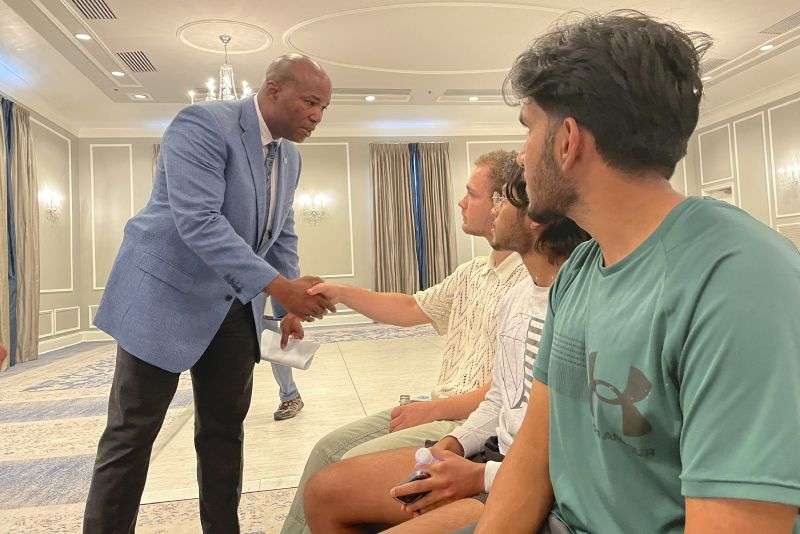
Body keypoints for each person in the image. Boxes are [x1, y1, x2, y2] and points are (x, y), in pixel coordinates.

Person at [472, 10, 800, 534]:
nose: (521, 154)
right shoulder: (581, 267)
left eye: (528, 130)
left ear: (567, 140)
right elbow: (532, 461)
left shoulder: (740, 281)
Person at [84, 54, 336, 534]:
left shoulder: (291, 156)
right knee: (132, 434)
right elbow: (200, 221)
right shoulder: (202, 124)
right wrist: (279, 285)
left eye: (323, 108)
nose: (316, 116)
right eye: (309, 102)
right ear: (273, 89)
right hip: (163, 300)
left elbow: (280, 234)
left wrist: (286, 308)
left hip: (233, 309)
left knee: (224, 433)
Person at [303, 163, 589, 533]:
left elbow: (574, 450)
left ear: (536, 218)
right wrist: (455, 443)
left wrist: (479, 475)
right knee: (325, 490)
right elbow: (502, 397)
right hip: (493, 451)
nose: (490, 210)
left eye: (499, 200)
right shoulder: (518, 295)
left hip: (529, 482)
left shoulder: (580, 302)